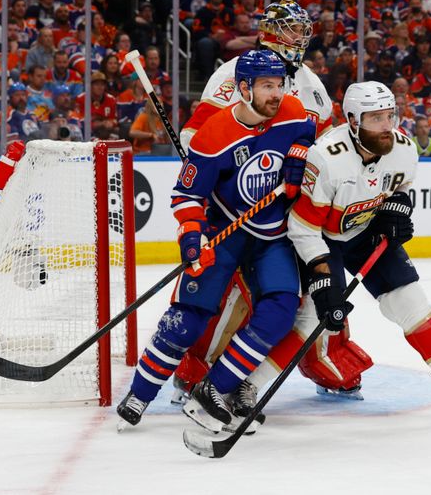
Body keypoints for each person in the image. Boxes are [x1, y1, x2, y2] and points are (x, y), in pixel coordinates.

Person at [175, 0, 369, 404]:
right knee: (228, 290)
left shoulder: (311, 83)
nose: (302, 37)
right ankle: (200, 365)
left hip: (295, 209)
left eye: (303, 29)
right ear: (273, 31)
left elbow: (330, 146)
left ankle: (324, 357)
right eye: (293, 29)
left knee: (314, 282)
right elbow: (197, 136)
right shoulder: (235, 73)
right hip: (239, 207)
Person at [116, 50, 314, 432]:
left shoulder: (292, 112)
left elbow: (308, 137)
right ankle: (140, 393)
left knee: (281, 310)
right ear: (243, 88)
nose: (277, 93)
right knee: (188, 319)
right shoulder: (213, 136)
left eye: (280, 84)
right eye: (267, 86)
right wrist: (192, 237)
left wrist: (300, 152)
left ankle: (214, 388)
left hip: (272, 236)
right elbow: (186, 196)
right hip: (224, 233)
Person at [285, 81, 431, 423]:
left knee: (412, 303)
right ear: (353, 121)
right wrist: (323, 275)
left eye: (390, 115)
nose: (387, 125)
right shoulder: (327, 156)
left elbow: (396, 191)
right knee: (312, 316)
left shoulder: (402, 148)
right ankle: (248, 386)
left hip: (365, 231)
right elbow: (304, 226)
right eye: (376, 118)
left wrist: (398, 211)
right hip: (324, 239)